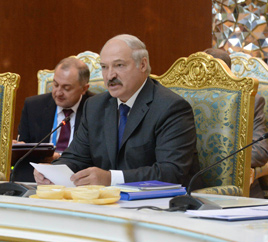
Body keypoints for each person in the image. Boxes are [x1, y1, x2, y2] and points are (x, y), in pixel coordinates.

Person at [34, 34, 200, 187]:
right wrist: (51, 172)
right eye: (105, 67)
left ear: (142, 65)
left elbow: (171, 172)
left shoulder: (170, 108)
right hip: (105, 205)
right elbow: (76, 157)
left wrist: (110, 179)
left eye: (119, 65)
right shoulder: (95, 106)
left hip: (157, 206)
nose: (110, 75)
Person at [14, 57, 94, 181]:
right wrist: (18, 148)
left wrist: (59, 158)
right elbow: (24, 146)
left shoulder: (97, 108)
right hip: (38, 174)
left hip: (77, 175)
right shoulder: (33, 106)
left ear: (84, 89)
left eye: (66, 88)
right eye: (55, 85)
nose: (58, 93)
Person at [204, 48, 268, 198]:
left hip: (238, 190)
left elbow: (260, 152)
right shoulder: (183, 98)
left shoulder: (249, 100)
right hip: (191, 181)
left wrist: (215, 160)